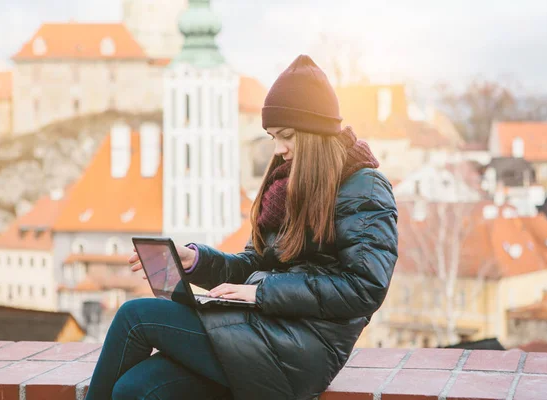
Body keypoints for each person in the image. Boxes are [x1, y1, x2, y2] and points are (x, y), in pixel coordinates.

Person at [85, 54, 398, 400]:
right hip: (257, 331)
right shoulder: (287, 184)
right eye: (272, 137)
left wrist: (262, 292)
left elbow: (365, 287)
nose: (279, 150)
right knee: (136, 389)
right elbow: (254, 264)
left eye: (287, 136)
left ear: (315, 133)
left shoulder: (364, 186)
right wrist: (197, 262)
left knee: (136, 317)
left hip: (301, 350)